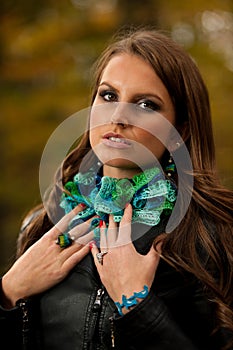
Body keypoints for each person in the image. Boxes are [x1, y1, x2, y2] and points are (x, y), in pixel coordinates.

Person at [0, 27, 233, 350]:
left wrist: (137, 307)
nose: (119, 117)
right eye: (108, 96)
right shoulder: (42, 224)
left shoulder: (215, 236)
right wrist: (8, 293)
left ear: (179, 129)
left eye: (146, 105)